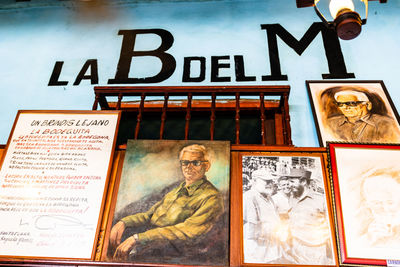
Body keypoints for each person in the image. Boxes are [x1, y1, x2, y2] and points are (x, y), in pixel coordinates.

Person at [109, 144, 224, 261]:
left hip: (174, 253)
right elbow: (149, 215)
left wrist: (138, 238)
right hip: (149, 243)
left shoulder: (212, 197)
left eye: (195, 163)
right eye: (185, 162)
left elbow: (186, 230)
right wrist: (123, 222)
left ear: (207, 166)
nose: (189, 167)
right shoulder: (176, 190)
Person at [285, 168, 333, 265]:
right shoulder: (292, 197)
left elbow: (331, 227)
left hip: (316, 251)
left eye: (292, 182)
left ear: (303, 181)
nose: (289, 185)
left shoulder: (321, 200)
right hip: (295, 248)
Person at [326, 87, 400, 142]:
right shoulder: (330, 123)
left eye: (351, 103)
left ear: (367, 105)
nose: (345, 107)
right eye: (340, 104)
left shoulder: (387, 124)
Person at [243, 168, 282, 263]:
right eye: (266, 181)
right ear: (254, 181)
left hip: (271, 248)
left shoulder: (269, 197)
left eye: (271, 181)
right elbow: (253, 227)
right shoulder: (249, 196)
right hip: (258, 250)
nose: (270, 184)